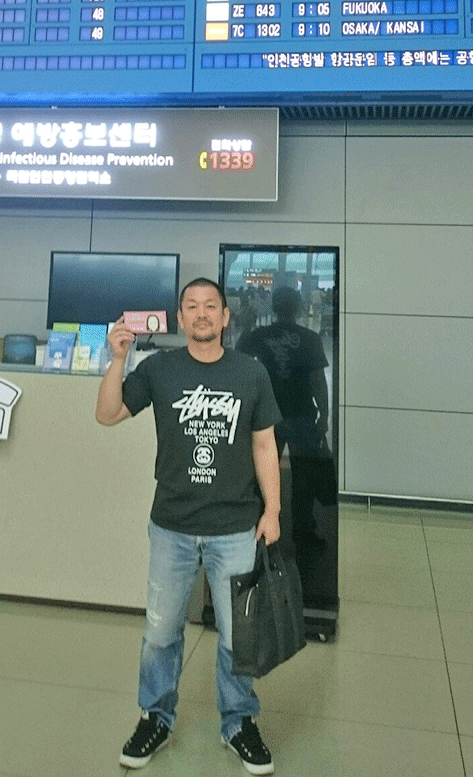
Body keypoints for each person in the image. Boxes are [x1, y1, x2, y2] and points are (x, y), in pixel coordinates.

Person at [96, 277, 282, 774]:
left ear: (225, 316)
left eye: (210, 306)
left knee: (237, 637)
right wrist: (118, 359)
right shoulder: (159, 369)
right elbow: (107, 414)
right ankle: (155, 718)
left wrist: (272, 511)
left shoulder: (250, 372)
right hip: (172, 526)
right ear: (180, 318)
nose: (201, 314)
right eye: (192, 306)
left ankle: (238, 723)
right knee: (160, 633)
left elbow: (264, 443)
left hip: (235, 526)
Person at [237, 287, 335, 578]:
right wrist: (324, 414)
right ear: (297, 307)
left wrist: (247, 327)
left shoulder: (261, 335)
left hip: (267, 415)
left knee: (262, 475)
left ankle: (260, 530)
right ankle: (303, 531)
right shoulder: (310, 338)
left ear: (274, 307)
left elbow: (237, 357)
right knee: (304, 476)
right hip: (302, 414)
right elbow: (318, 380)